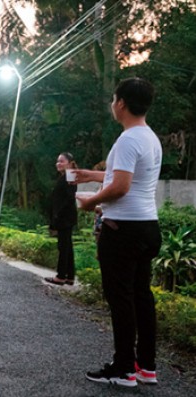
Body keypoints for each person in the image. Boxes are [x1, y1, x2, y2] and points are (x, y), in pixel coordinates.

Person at [75, 78, 162, 387]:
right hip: (147, 227)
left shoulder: (127, 139)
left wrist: (91, 201)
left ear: (121, 103)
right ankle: (146, 367)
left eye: (114, 99)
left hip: (122, 228)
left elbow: (122, 187)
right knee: (141, 297)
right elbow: (127, 176)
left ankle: (123, 368)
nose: (112, 104)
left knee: (121, 299)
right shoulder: (149, 137)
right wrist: (91, 175)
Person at [45, 152, 78, 286]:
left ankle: (61, 276)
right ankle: (69, 276)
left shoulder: (69, 176)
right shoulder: (65, 177)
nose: (58, 163)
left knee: (63, 247)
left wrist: (57, 216)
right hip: (65, 216)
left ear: (69, 163)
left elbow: (69, 198)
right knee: (67, 246)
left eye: (62, 161)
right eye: (57, 161)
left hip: (64, 217)